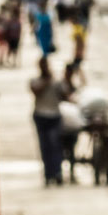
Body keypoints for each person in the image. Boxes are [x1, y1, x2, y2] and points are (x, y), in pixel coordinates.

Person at [30, 55, 66, 186]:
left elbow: (64, 95)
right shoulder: (35, 81)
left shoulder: (56, 81)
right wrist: (47, 80)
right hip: (41, 116)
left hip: (54, 116)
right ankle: (48, 173)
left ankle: (57, 172)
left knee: (55, 145)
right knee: (45, 146)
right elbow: (36, 91)